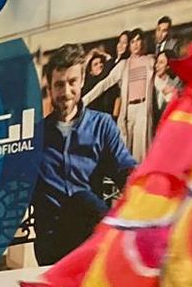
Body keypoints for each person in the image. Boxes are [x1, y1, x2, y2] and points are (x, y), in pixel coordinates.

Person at [32, 43, 137, 265]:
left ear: (82, 82)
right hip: (52, 245)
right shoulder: (35, 137)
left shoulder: (102, 125)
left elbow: (124, 168)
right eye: (59, 85)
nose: (66, 92)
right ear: (49, 88)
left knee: (84, 200)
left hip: (92, 239)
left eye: (72, 82)